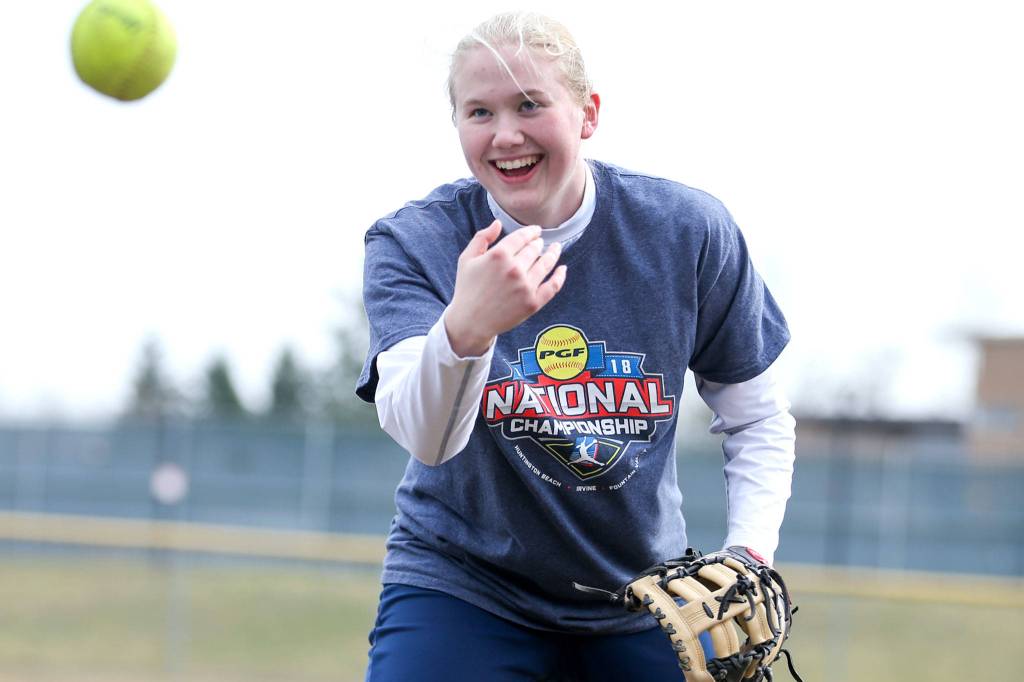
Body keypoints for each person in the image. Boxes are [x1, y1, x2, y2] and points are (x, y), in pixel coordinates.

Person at [356, 11, 795, 681]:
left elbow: (757, 417)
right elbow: (426, 438)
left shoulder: (687, 233)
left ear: (587, 113)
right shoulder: (416, 241)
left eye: (530, 104)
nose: (505, 134)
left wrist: (749, 557)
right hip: (466, 587)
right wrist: (466, 330)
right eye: (479, 112)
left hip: (643, 595)